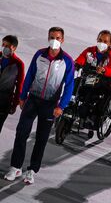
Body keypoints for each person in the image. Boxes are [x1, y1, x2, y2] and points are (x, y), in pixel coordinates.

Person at [4, 27, 75, 185]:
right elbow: (30, 75)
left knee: (41, 138)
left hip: (50, 104)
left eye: (57, 37)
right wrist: (22, 96)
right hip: (33, 100)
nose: (54, 40)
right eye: (51, 37)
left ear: (62, 40)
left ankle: (31, 170)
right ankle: (15, 167)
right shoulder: (39, 54)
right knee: (21, 132)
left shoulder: (67, 61)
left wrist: (61, 106)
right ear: (48, 38)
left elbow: (69, 86)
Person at [74, 30, 111, 134]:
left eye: (105, 41)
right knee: (74, 83)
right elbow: (80, 59)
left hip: (103, 82)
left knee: (92, 93)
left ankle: (90, 118)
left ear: (110, 43)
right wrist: (76, 64)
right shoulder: (90, 51)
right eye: (100, 40)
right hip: (87, 78)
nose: (102, 43)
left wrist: (104, 70)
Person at [0, 35, 25, 134]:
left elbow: (20, 85)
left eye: (7, 45)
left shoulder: (18, 64)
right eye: (3, 44)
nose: (4, 47)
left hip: (4, 101)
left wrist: (14, 104)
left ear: (14, 48)